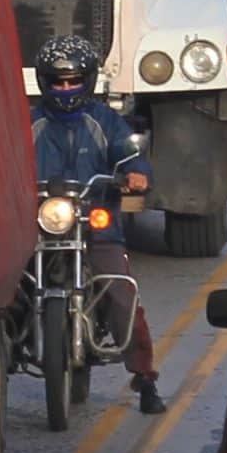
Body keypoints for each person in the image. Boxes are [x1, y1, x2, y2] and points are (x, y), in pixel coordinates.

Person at [31, 37, 162, 414]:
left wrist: (135, 173)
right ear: (44, 82)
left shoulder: (105, 121)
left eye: (74, 81)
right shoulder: (30, 123)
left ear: (87, 81)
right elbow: (3, 158)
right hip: (40, 225)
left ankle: (145, 378)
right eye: (58, 81)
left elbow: (128, 151)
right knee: (2, 289)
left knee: (121, 292)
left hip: (95, 224)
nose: (66, 89)